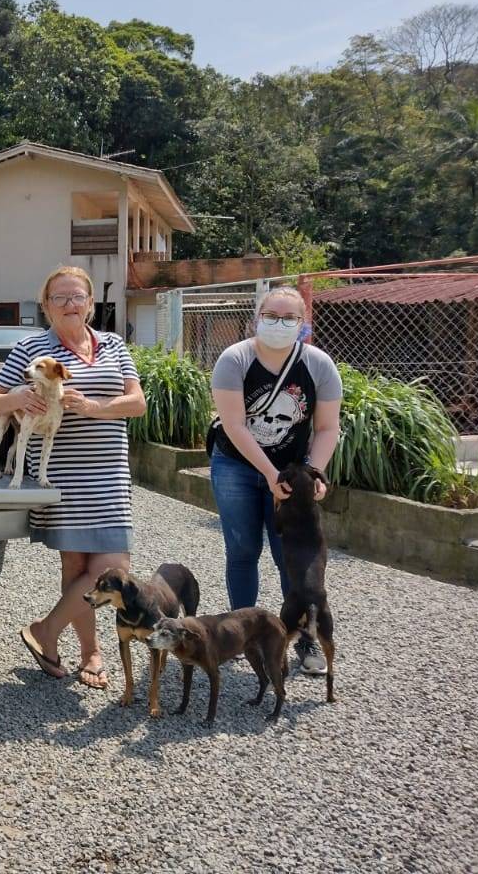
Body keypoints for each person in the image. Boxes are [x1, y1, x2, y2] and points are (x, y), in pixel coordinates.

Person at [0, 266, 146, 690]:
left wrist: (92, 407)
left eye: (78, 297)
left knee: (113, 569)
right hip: (60, 476)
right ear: (46, 306)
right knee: (74, 568)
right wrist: (17, 397)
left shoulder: (113, 346)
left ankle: (45, 631)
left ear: (91, 303)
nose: (71, 304)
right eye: (60, 298)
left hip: (109, 474)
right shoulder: (31, 349)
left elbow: (137, 403)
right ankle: (90, 652)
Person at [209, 285, 342, 674]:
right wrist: (269, 475)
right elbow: (234, 424)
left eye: (289, 318)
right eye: (271, 316)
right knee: (242, 551)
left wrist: (315, 472)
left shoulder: (318, 365)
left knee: (295, 560)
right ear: (257, 318)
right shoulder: (234, 359)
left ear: (303, 324)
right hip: (236, 464)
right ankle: (241, 634)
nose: (279, 324)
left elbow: (327, 428)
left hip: (293, 469)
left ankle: (301, 637)